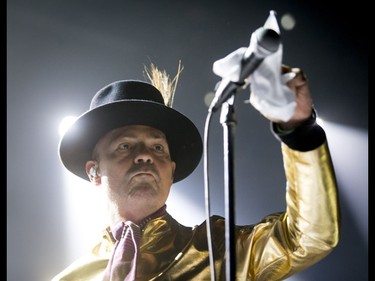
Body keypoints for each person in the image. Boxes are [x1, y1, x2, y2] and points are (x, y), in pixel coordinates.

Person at [52, 61, 340, 281]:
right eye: (125, 147)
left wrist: (298, 129)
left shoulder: (218, 249)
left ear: (171, 170)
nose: (144, 157)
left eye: (158, 148)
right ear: (94, 172)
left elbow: (308, 238)